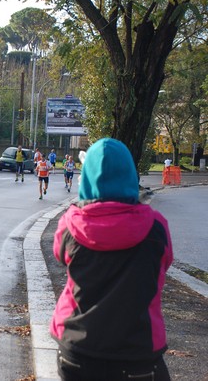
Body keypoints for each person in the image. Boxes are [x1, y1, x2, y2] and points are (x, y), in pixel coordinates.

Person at [50, 138, 173, 381]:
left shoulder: (70, 224)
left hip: (77, 347)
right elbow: (165, 263)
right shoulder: (156, 226)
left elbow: (60, 257)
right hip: (137, 350)